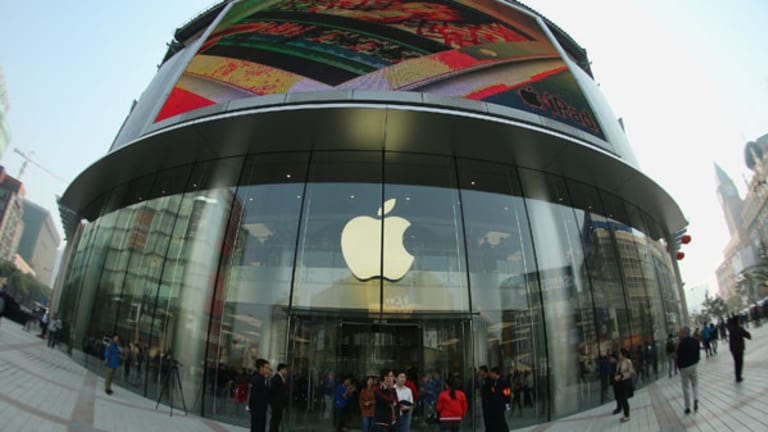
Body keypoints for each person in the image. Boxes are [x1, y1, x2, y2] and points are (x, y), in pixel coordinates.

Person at [677, 326, 700, 414]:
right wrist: (696, 361)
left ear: (684, 333)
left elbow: (678, 356)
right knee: (695, 383)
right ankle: (696, 398)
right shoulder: (695, 341)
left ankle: (687, 407)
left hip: (684, 368)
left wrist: (679, 367)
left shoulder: (681, 343)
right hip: (693, 365)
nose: (679, 334)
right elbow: (697, 353)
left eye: (680, 332)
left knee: (685, 387)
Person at [248, 358, 272, 432]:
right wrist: (251, 407)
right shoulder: (256, 379)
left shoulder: (265, 379)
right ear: (261, 368)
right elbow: (253, 395)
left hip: (263, 409)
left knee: (261, 428)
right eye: (266, 368)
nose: (268, 370)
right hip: (257, 410)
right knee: (256, 428)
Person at [727, 315, 752, 382]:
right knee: (740, 362)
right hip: (739, 348)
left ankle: (737, 376)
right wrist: (749, 335)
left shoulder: (731, 329)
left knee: (736, 362)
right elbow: (747, 335)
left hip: (733, 349)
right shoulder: (739, 328)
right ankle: (739, 377)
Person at [614, 348, 634, 423]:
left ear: (623, 354)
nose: (619, 355)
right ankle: (625, 415)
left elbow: (631, 372)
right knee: (622, 399)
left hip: (626, 382)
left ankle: (627, 415)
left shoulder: (628, 361)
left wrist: (621, 376)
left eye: (620, 353)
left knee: (624, 399)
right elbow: (617, 371)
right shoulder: (619, 362)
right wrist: (616, 376)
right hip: (620, 383)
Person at [486, 367, 510, 431]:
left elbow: (507, 394)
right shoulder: (494, 382)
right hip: (495, 405)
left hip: (501, 404)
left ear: (495, 373)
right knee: (498, 421)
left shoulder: (503, 381)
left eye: (491, 373)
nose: (490, 375)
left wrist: (507, 405)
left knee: (501, 420)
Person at [269, 363, 289, 432]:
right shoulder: (276, 378)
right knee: (275, 421)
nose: (286, 371)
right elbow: (273, 391)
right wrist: (274, 403)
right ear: (281, 369)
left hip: (279, 404)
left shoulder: (281, 378)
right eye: (285, 369)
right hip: (276, 404)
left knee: (277, 421)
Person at [477, 366, 491, 430]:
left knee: (489, 418)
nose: (479, 372)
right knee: (486, 418)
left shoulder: (489, 379)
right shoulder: (482, 379)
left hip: (489, 402)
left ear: (483, 371)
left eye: (480, 371)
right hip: (484, 402)